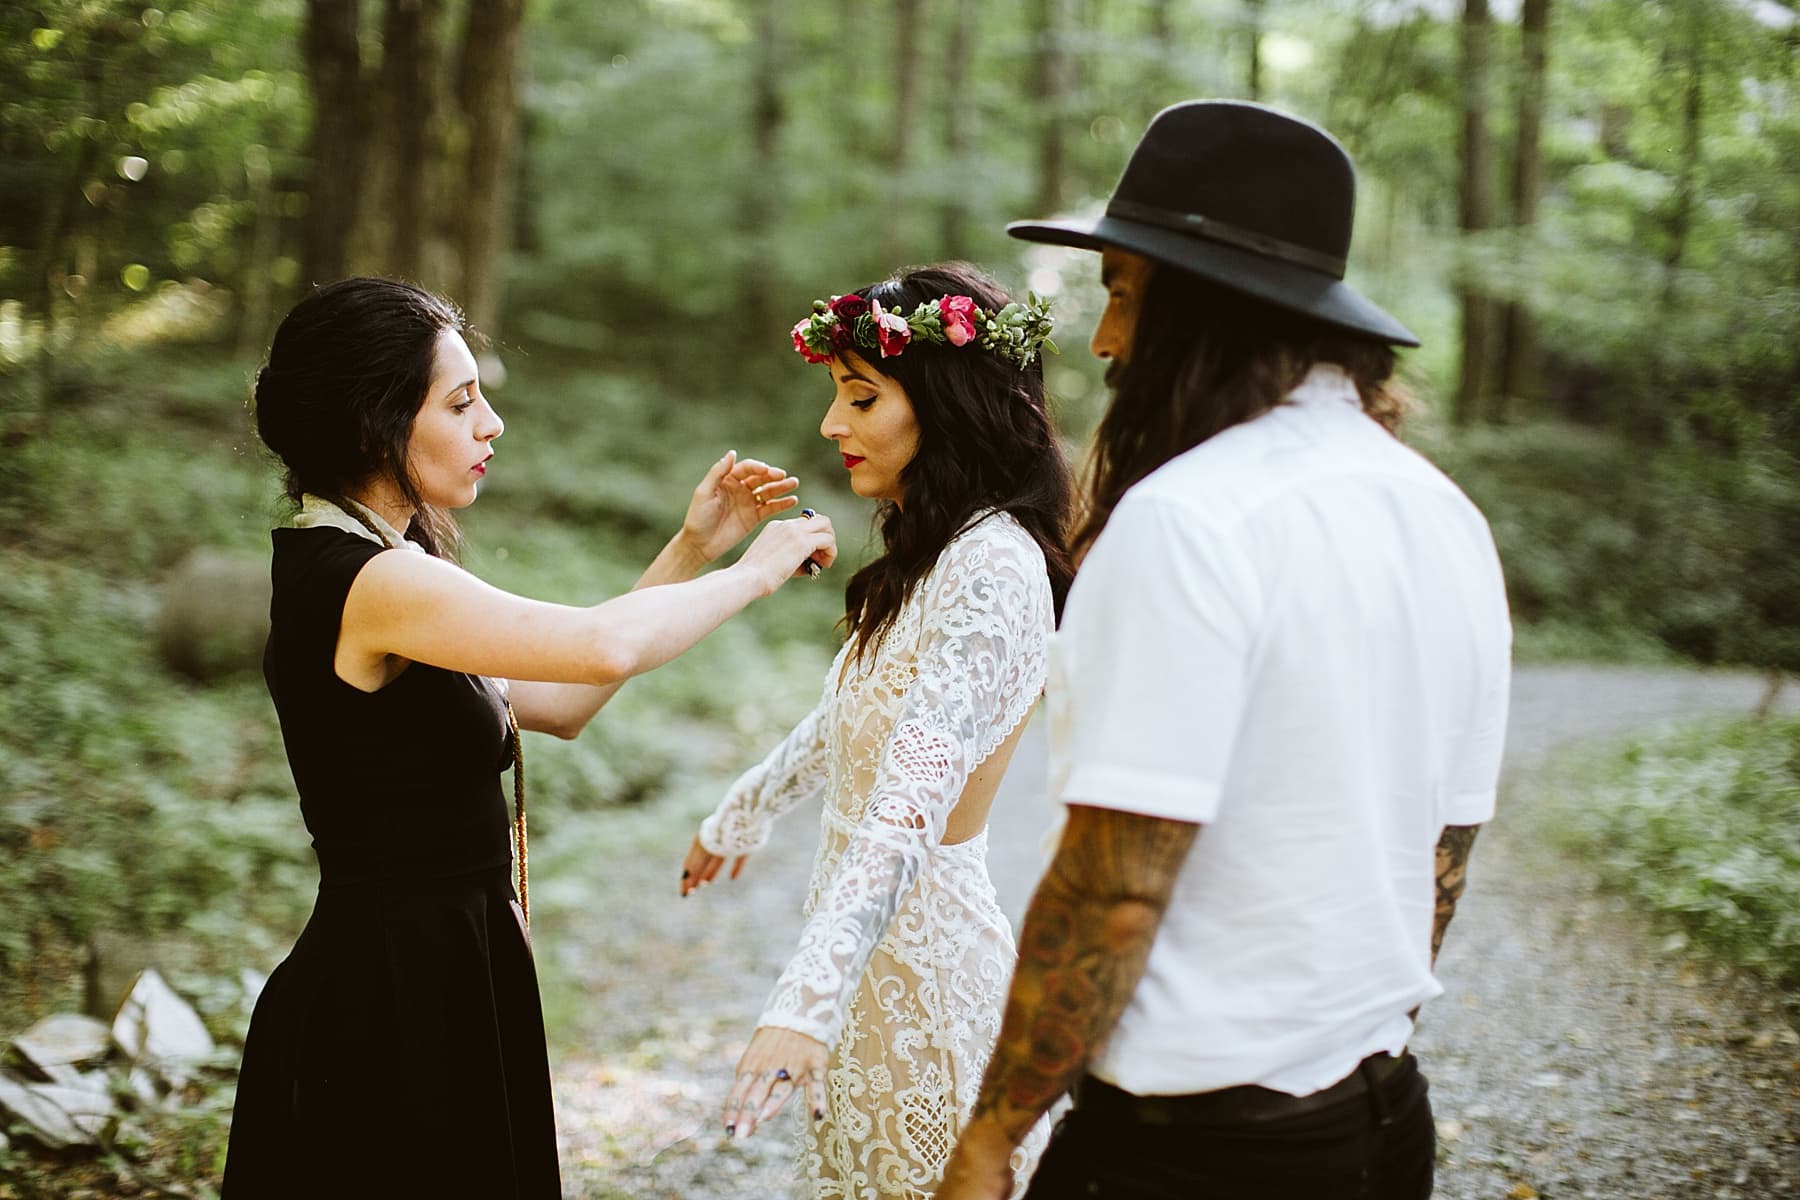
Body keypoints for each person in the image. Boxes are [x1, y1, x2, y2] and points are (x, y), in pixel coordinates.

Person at [937, 101, 1513, 1200]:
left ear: (1205, 309)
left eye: (1120, 295)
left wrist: (990, 1133)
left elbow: (1114, 888)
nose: (1104, 344)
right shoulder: (1444, 515)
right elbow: (1447, 848)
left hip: (1196, 1152)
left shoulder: (1187, 520)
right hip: (1379, 1122)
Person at [222, 276, 836, 1199]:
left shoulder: (393, 569)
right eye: (461, 402)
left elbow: (560, 702)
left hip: (444, 966)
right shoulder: (369, 582)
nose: (492, 424)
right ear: (368, 425)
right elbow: (603, 645)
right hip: (388, 993)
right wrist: (757, 571)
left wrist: (691, 549)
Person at [679, 263, 1073, 1199]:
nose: (830, 425)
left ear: (949, 406)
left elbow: (908, 797)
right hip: (870, 963)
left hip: (928, 980)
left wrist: (803, 1000)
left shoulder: (994, 568)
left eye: (861, 396)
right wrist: (739, 814)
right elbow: (843, 726)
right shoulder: (929, 552)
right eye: (834, 396)